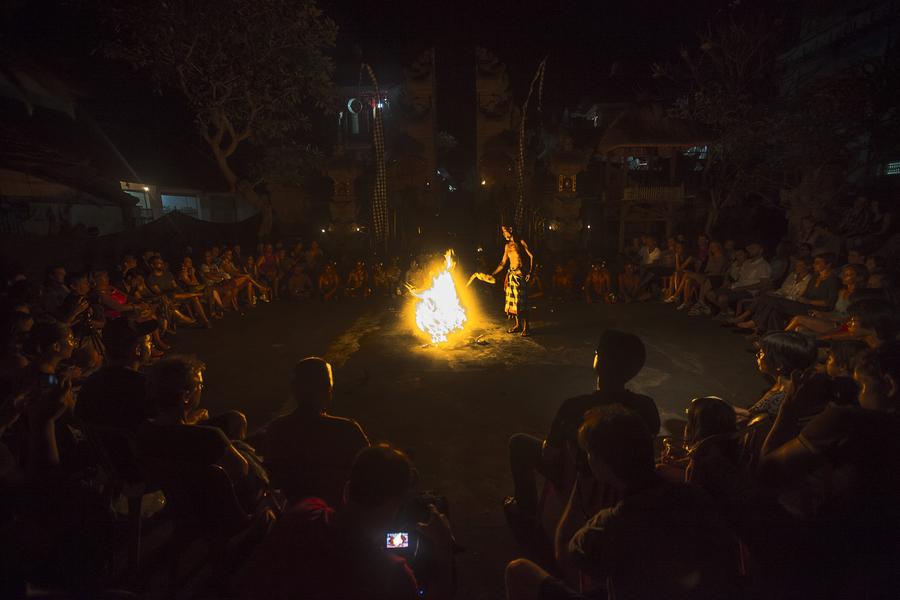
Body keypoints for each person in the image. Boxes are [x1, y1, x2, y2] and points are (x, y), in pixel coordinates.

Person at [506, 405, 738, 600]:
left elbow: (568, 558)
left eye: (589, 453)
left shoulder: (608, 526)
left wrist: (579, 492)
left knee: (519, 570)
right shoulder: (695, 495)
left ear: (600, 464)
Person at [759, 342, 900, 596]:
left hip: (838, 548)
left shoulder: (850, 422)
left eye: (863, 386)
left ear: (890, 385)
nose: (858, 396)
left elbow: (769, 468)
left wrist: (789, 409)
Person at [231, 443, 456, 600]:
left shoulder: (305, 511)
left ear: (347, 490)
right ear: (395, 506)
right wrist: (444, 549)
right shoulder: (391, 575)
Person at [505, 330, 659, 522]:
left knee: (518, 443)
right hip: (627, 485)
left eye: (597, 352)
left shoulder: (575, 407)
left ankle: (525, 510)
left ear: (600, 362)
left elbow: (549, 454)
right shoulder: (646, 406)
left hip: (582, 482)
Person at [257, 357, 370, 505]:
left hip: (291, 516)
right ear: (328, 389)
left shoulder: (276, 429)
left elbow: (271, 477)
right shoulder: (347, 430)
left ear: (294, 389)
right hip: (338, 516)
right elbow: (372, 472)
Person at [75, 318, 157, 431]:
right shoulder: (145, 386)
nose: (152, 346)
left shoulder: (91, 383)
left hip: (100, 447)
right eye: (149, 342)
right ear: (137, 349)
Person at [492, 225, 535, 335]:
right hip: (511, 275)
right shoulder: (507, 246)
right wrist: (493, 273)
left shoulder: (520, 242)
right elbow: (502, 263)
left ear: (510, 230)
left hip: (520, 276)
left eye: (504, 231)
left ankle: (527, 327)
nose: (503, 234)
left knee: (522, 303)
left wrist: (530, 272)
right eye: (502, 232)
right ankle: (518, 325)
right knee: (514, 303)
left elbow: (531, 256)